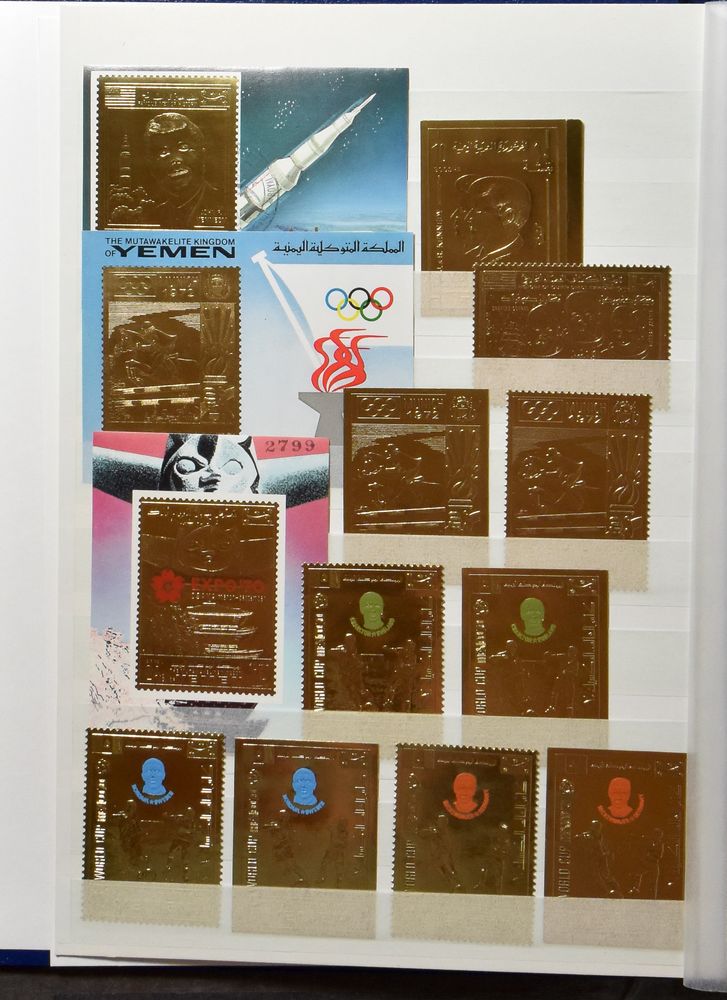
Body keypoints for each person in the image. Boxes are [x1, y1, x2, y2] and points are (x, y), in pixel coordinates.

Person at [144, 113, 222, 228]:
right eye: (163, 152)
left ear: (202, 154)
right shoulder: (153, 215)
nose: (175, 160)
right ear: (152, 165)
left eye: (183, 147)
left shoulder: (224, 203)